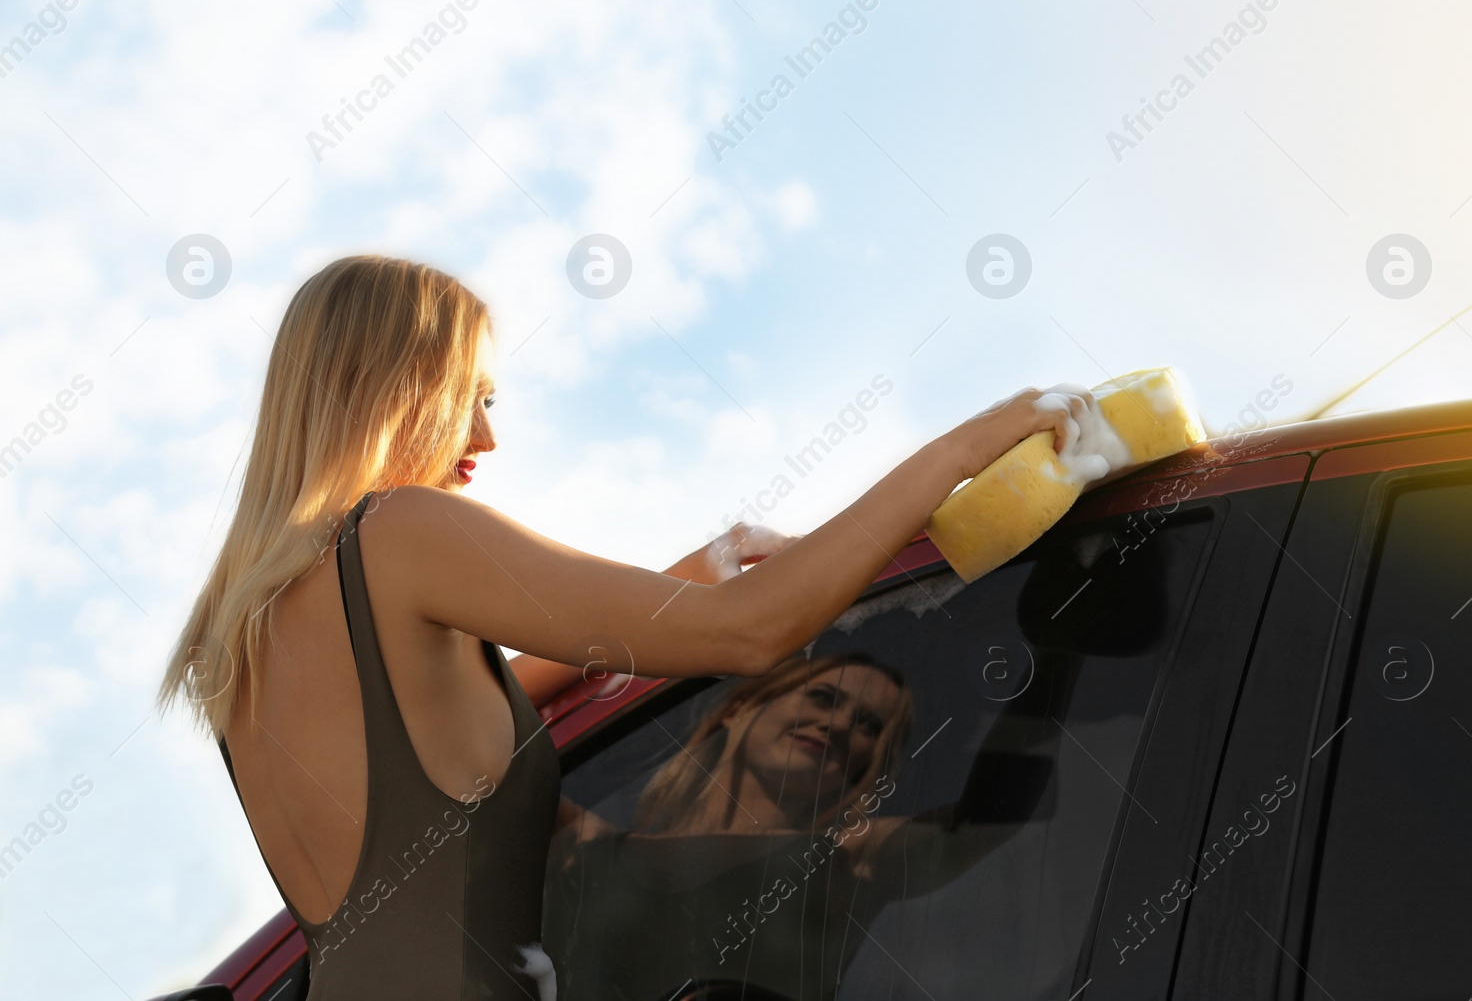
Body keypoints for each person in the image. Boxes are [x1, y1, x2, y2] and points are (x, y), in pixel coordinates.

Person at [155, 254, 1091, 1001]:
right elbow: (750, 632)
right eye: (471, 395)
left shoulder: (237, 636)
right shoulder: (403, 532)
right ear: (393, 384)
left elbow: (444, 751)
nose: (486, 439)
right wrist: (972, 445)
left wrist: (656, 597)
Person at [542, 646, 1063, 1001]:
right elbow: (488, 731)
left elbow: (996, 812)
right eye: (824, 698)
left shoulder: (852, 853)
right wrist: (710, 577)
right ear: (739, 707)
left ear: (870, 765)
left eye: (869, 726)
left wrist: (1058, 651)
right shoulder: (585, 844)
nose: (839, 725)